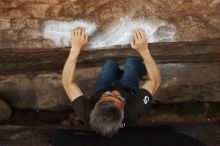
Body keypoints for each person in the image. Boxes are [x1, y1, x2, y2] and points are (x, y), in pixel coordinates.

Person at [62, 27, 161, 137]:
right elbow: (155, 81)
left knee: (110, 64)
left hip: (102, 88)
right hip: (128, 89)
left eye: (108, 96)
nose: (115, 92)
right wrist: (144, 51)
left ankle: (120, 74)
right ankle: (140, 70)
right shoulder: (134, 111)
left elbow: (68, 84)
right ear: (123, 113)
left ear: (94, 107)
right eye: (119, 99)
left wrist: (75, 48)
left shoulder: (86, 112)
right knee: (131, 63)